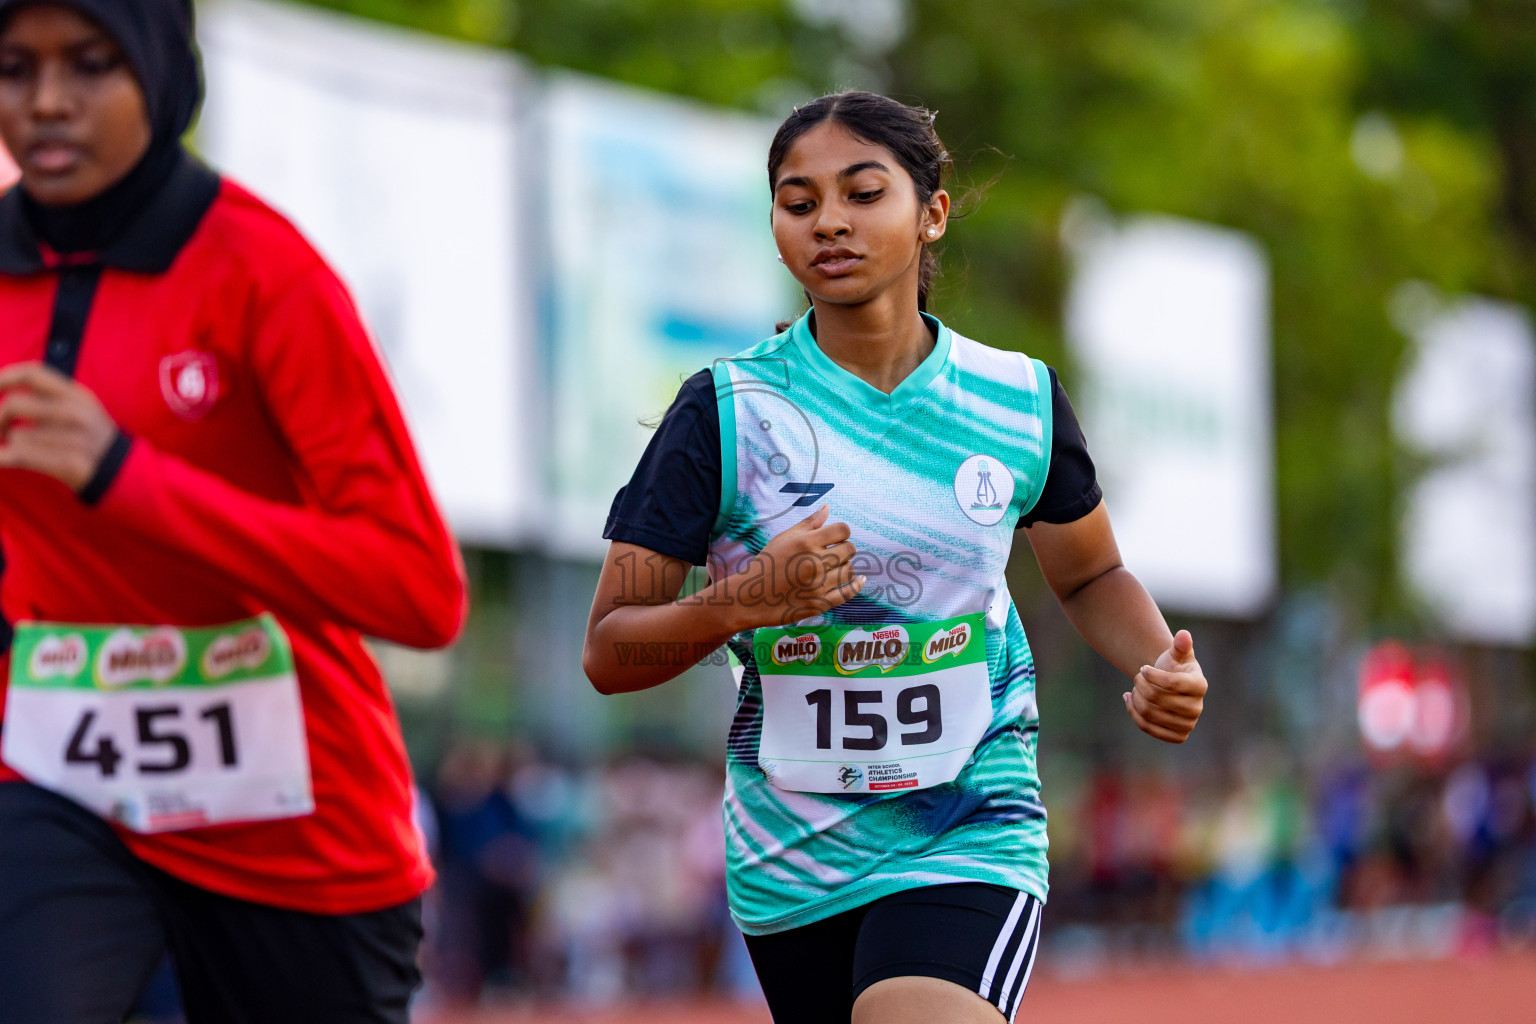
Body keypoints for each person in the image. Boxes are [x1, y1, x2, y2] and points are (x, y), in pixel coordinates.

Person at [584, 91, 1209, 1024]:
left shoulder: (1018, 401)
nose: (828, 221)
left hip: (970, 821)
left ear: (931, 213)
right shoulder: (724, 415)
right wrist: (743, 602)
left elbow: (1088, 573)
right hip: (793, 855)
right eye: (799, 204)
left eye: (862, 193)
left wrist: (1155, 657)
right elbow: (609, 651)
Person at [0, 2, 466, 1021]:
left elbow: (420, 590)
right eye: (13, 68)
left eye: (89, 65)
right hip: (57, 784)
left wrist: (126, 472)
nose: (44, 103)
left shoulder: (264, 271)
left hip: (299, 826)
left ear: (161, 73)